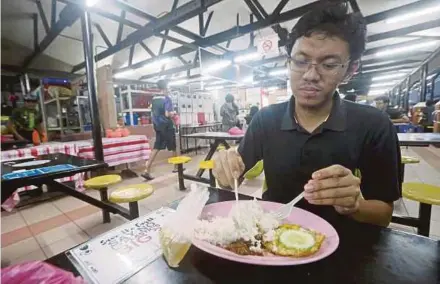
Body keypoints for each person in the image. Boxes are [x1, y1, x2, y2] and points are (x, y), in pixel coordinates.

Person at [213, 3, 402, 227]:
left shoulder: (374, 125)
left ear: (350, 70)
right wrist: (225, 170)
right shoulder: (266, 119)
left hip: (343, 246)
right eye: (301, 62)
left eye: (329, 64)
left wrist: (356, 205)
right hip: (271, 237)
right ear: (289, 61)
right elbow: (234, 178)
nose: (311, 75)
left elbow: (383, 215)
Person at [142, 80, 179, 181]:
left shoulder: (154, 99)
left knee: (156, 147)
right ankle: (176, 167)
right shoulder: (167, 99)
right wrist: (174, 113)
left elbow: (153, 112)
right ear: (165, 87)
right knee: (173, 146)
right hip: (167, 125)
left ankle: (147, 170)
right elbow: (167, 114)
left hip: (157, 126)